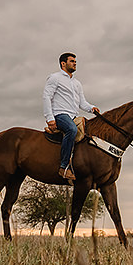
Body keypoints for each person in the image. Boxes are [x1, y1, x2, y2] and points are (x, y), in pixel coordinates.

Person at [43, 53, 100, 183]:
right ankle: (64, 167)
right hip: (60, 114)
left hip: (73, 115)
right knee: (72, 130)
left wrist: (92, 108)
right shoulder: (54, 78)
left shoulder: (77, 83)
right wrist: (50, 118)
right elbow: (46, 97)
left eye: (75, 61)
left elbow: (82, 103)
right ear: (63, 63)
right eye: (72, 61)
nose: (75, 63)